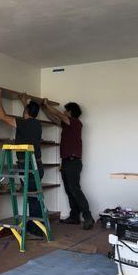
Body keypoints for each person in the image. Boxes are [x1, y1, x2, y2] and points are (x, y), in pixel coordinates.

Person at [0, 88, 45, 236]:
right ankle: (37, 225)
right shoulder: (37, 124)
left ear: (26, 112)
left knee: (32, 198)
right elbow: (29, 115)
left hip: (28, 165)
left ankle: (37, 229)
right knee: (34, 197)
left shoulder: (23, 122)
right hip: (37, 165)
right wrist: (24, 102)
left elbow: (2, 116)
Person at [41, 99, 94, 230]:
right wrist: (44, 109)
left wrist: (47, 104)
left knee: (75, 190)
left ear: (70, 112)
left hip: (73, 161)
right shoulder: (66, 124)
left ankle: (88, 217)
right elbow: (54, 118)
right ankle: (74, 217)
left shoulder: (75, 122)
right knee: (69, 190)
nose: (64, 112)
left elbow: (59, 115)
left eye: (66, 110)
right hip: (66, 161)